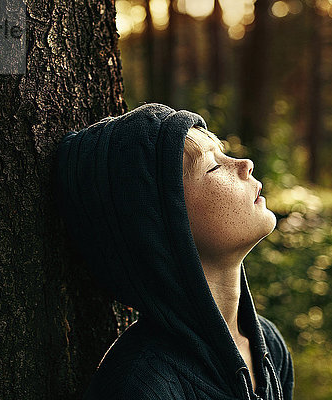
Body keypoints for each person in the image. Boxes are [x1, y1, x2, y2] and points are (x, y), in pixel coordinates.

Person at [54, 103, 294, 400]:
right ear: (162, 224)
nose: (245, 164)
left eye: (223, 154)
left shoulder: (269, 347)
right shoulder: (141, 386)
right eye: (215, 166)